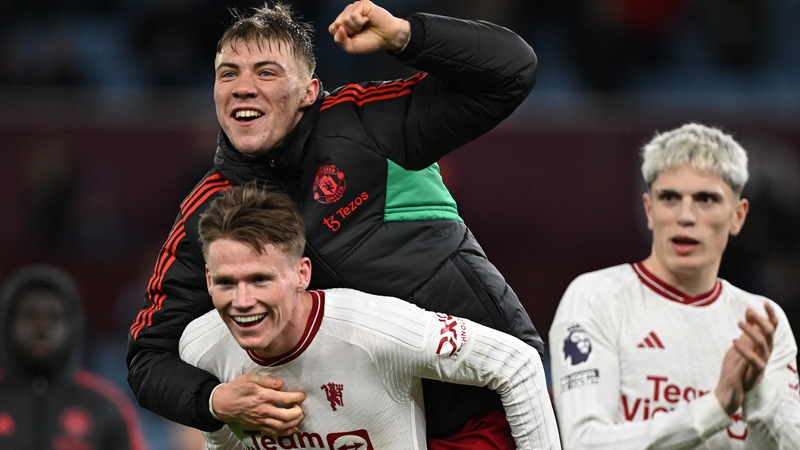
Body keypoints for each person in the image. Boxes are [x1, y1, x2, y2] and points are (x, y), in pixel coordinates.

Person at [127, 0, 544, 445]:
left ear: (309, 91)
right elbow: (148, 357)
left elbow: (511, 72)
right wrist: (214, 401)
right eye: (228, 73)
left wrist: (406, 35)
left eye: (266, 72)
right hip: (354, 428)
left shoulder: (365, 126)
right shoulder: (207, 211)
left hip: (476, 400)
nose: (243, 87)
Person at [179, 182, 561, 450]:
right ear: (208, 279)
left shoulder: (373, 328)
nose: (242, 301)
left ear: (302, 274)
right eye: (226, 283)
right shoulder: (201, 348)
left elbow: (518, 363)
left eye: (260, 279)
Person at [549, 123, 800, 449]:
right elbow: (585, 443)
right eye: (669, 197)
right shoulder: (596, 298)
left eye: (706, 199)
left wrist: (758, 391)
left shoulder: (763, 321)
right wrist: (715, 407)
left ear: (738, 216)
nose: (685, 215)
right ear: (649, 210)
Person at [0, 264, 149, 450]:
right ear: (8, 324)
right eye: (30, 316)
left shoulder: (106, 407)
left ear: (73, 326)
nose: (42, 328)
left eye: (54, 317)